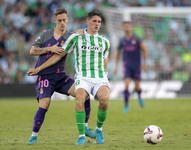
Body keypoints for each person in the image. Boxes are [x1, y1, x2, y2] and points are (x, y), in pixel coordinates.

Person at [27, 11, 110, 145]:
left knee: (83, 95)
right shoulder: (46, 34)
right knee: (45, 104)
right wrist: (50, 49)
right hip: (46, 76)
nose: (62, 23)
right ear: (55, 20)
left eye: (64, 20)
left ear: (68, 20)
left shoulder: (73, 36)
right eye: (59, 20)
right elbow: (32, 51)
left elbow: (83, 35)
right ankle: (34, 136)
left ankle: (86, 127)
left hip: (61, 76)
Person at [114, 21, 148, 113]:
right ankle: (126, 106)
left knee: (137, 87)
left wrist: (144, 63)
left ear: (131, 27)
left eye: (128, 26)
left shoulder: (136, 38)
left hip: (136, 66)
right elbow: (117, 53)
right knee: (126, 84)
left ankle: (140, 96)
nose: (127, 28)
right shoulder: (122, 40)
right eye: (125, 27)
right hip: (127, 65)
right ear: (123, 28)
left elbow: (145, 49)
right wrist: (116, 66)